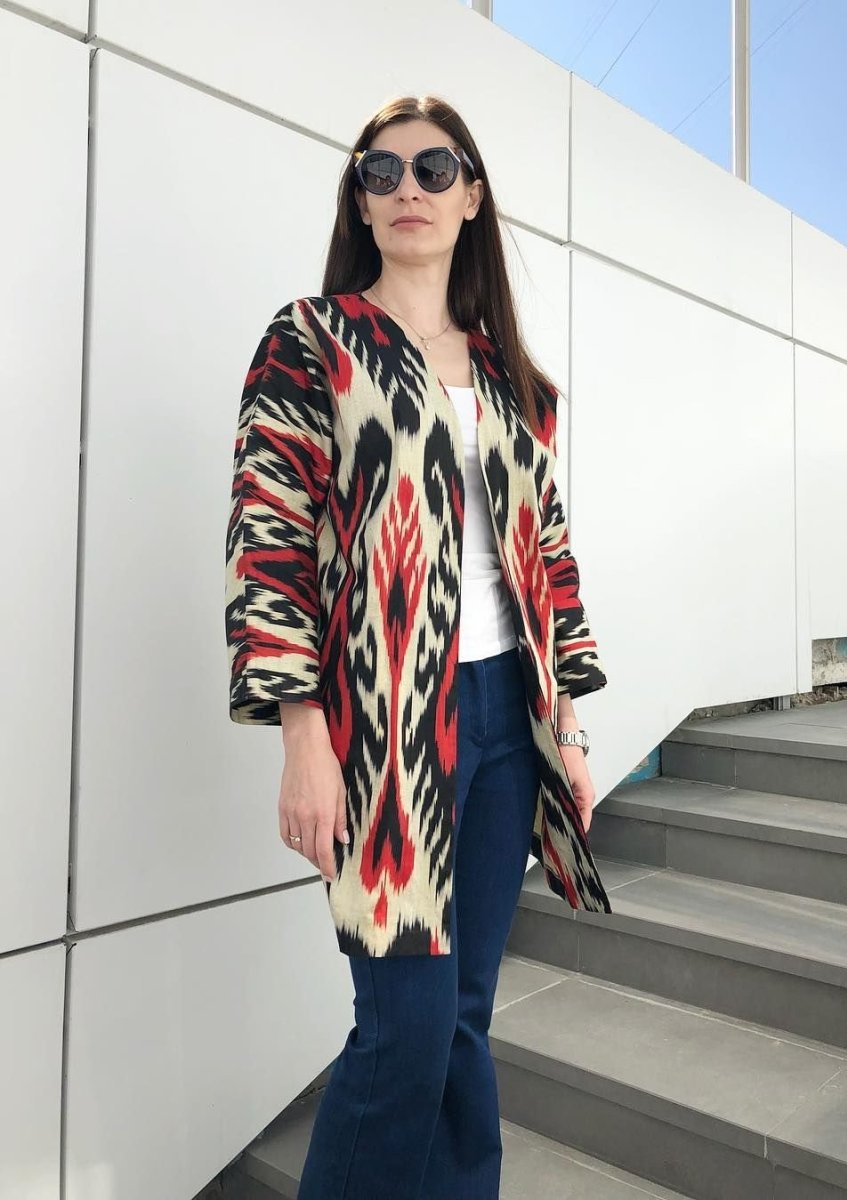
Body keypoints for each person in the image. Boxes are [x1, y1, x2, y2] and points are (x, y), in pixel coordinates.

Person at [225, 93, 612, 1200]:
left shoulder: (512, 380)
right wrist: (303, 736)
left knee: (463, 1020)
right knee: (403, 1032)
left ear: (471, 196)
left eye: (434, 169)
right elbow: (269, 539)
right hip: (381, 724)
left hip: (505, 721)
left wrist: (568, 728)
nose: (408, 189)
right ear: (359, 199)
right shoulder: (314, 340)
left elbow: (547, 558)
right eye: (381, 171)